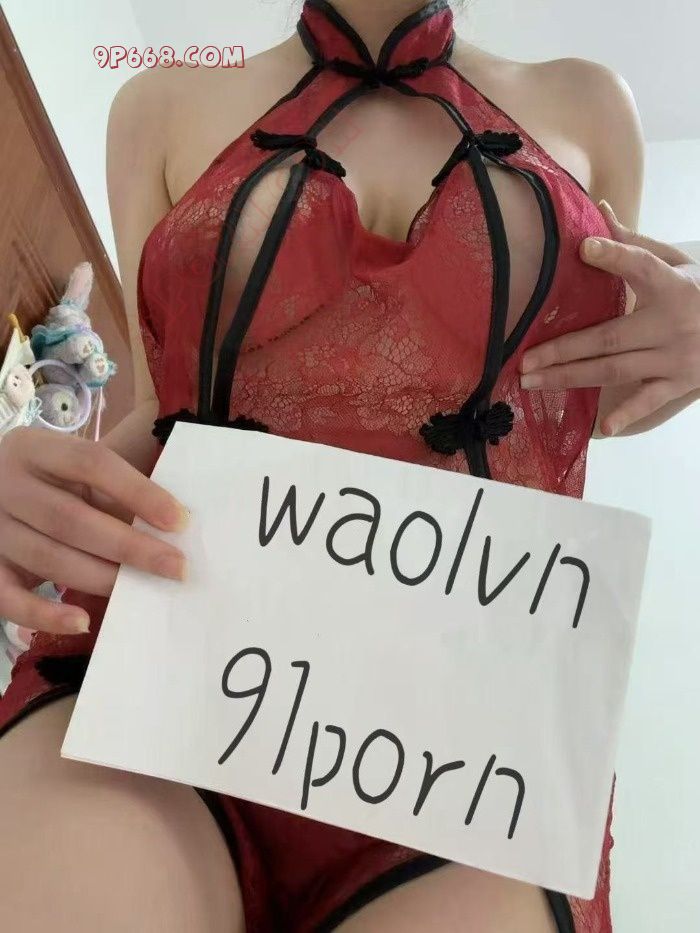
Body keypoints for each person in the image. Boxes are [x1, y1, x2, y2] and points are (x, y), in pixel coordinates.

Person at [1, 1, 699, 931]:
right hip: (173, 652)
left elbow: (570, 410)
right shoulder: (156, 106)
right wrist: (28, 486)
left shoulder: (591, 106)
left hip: (471, 738)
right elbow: (161, 412)